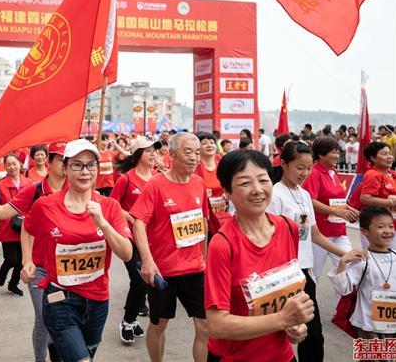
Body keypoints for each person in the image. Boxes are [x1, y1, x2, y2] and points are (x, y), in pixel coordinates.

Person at [23, 139, 132, 362]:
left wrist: (102, 222)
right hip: (59, 298)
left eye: (91, 165)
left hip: (98, 301)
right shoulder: (46, 205)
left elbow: (127, 253)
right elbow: (27, 227)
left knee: (85, 355)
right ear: (64, 168)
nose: (85, 172)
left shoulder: (109, 207)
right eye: (77, 165)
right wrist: (27, 261)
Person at [205, 150, 315, 361]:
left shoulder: (288, 228)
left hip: (282, 355)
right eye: (245, 183)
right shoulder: (222, 244)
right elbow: (217, 325)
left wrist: (296, 325)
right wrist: (283, 319)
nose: (257, 190)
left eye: (263, 180)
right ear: (227, 192)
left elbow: (289, 292)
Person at [0, 142, 67, 362]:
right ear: (48, 162)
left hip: (67, 268)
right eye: (60, 159)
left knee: (61, 315)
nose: (65, 164)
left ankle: (57, 350)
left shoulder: (78, 189)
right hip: (40, 268)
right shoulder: (34, 190)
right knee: (44, 317)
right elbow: (5, 213)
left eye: (67, 159)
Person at [267, 141, 351, 362]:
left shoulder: (304, 195)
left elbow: (314, 235)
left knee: (313, 336)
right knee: (279, 334)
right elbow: (268, 239)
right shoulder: (274, 195)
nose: (305, 173)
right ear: (284, 164)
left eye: (309, 168)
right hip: (281, 274)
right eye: (299, 167)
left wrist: (344, 254)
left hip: (304, 272)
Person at [130, 132, 210, 362]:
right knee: (159, 324)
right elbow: (139, 222)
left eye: (197, 152)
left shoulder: (199, 183)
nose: (195, 158)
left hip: (195, 270)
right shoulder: (156, 185)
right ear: (171, 155)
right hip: (163, 271)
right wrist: (148, 261)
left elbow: (202, 222)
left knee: (204, 326)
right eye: (188, 152)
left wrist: (204, 260)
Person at [110, 136, 161, 344]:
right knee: (139, 280)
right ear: (137, 155)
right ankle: (127, 321)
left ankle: (134, 317)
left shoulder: (158, 178)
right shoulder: (126, 179)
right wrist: (130, 216)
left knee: (149, 281)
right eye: (147, 150)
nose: (153, 154)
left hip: (154, 238)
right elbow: (112, 204)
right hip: (130, 238)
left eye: (154, 150)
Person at [329, 207, 396, 342]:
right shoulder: (362, 260)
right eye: (381, 226)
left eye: (391, 226)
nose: (388, 231)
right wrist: (343, 263)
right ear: (364, 231)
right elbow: (344, 289)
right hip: (367, 326)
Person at [303, 136, 359, 281]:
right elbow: (311, 200)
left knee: (350, 268)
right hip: (319, 234)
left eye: (337, 152)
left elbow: (335, 199)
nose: (337, 155)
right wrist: (335, 211)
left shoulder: (333, 172)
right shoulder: (313, 173)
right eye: (333, 152)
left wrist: (348, 208)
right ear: (321, 154)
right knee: (313, 275)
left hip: (338, 230)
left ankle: (343, 302)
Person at [0, 153, 33, 296]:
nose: (12, 167)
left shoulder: (30, 183)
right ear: (4, 167)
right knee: (11, 259)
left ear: (20, 164)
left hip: (25, 227)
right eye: (8, 164)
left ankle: (13, 284)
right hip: (7, 227)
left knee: (22, 260)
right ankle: (3, 271)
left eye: (14, 164)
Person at [358, 142, 396, 249]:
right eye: (384, 154)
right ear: (373, 158)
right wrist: (392, 202)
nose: (389, 157)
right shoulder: (372, 174)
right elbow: (365, 198)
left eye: (389, 153)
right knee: (377, 259)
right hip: (377, 226)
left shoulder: (395, 175)